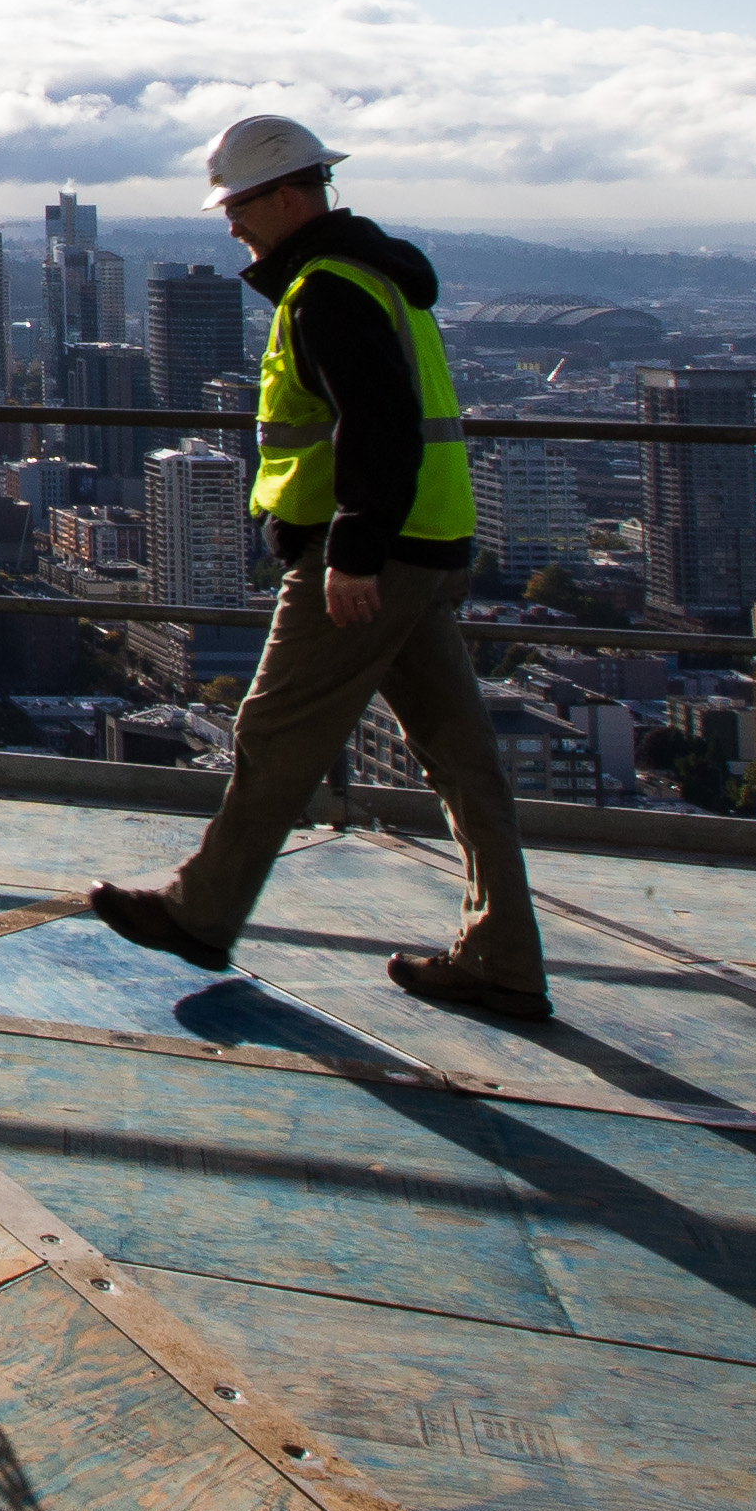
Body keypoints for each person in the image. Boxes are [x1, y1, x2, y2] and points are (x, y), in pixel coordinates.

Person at [88, 114, 550, 1023]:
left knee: (275, 730)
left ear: (289, 197)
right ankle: (503, 955)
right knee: (464, 761)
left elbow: (375, 424)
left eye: (240, 206)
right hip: (421, 549)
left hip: (368, 558)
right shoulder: (375, 280)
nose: (231, 226)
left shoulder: (329, 291)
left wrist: (352, 549)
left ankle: (198, 911)